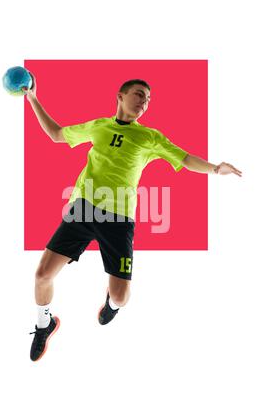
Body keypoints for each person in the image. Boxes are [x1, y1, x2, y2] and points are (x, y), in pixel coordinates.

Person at [24, 74, 242, 362]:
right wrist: (33, 99)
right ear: (121, 96)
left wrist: (215, 169)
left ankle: (110, 304)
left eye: (148, 99)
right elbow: (56, 134)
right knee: (42, 275)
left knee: (121, 298)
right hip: (84, 208)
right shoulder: (98, 126)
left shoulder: (150, 137)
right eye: (139, 94)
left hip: (119, 219)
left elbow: (185, 158)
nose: (144, 102)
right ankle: (44, 324)